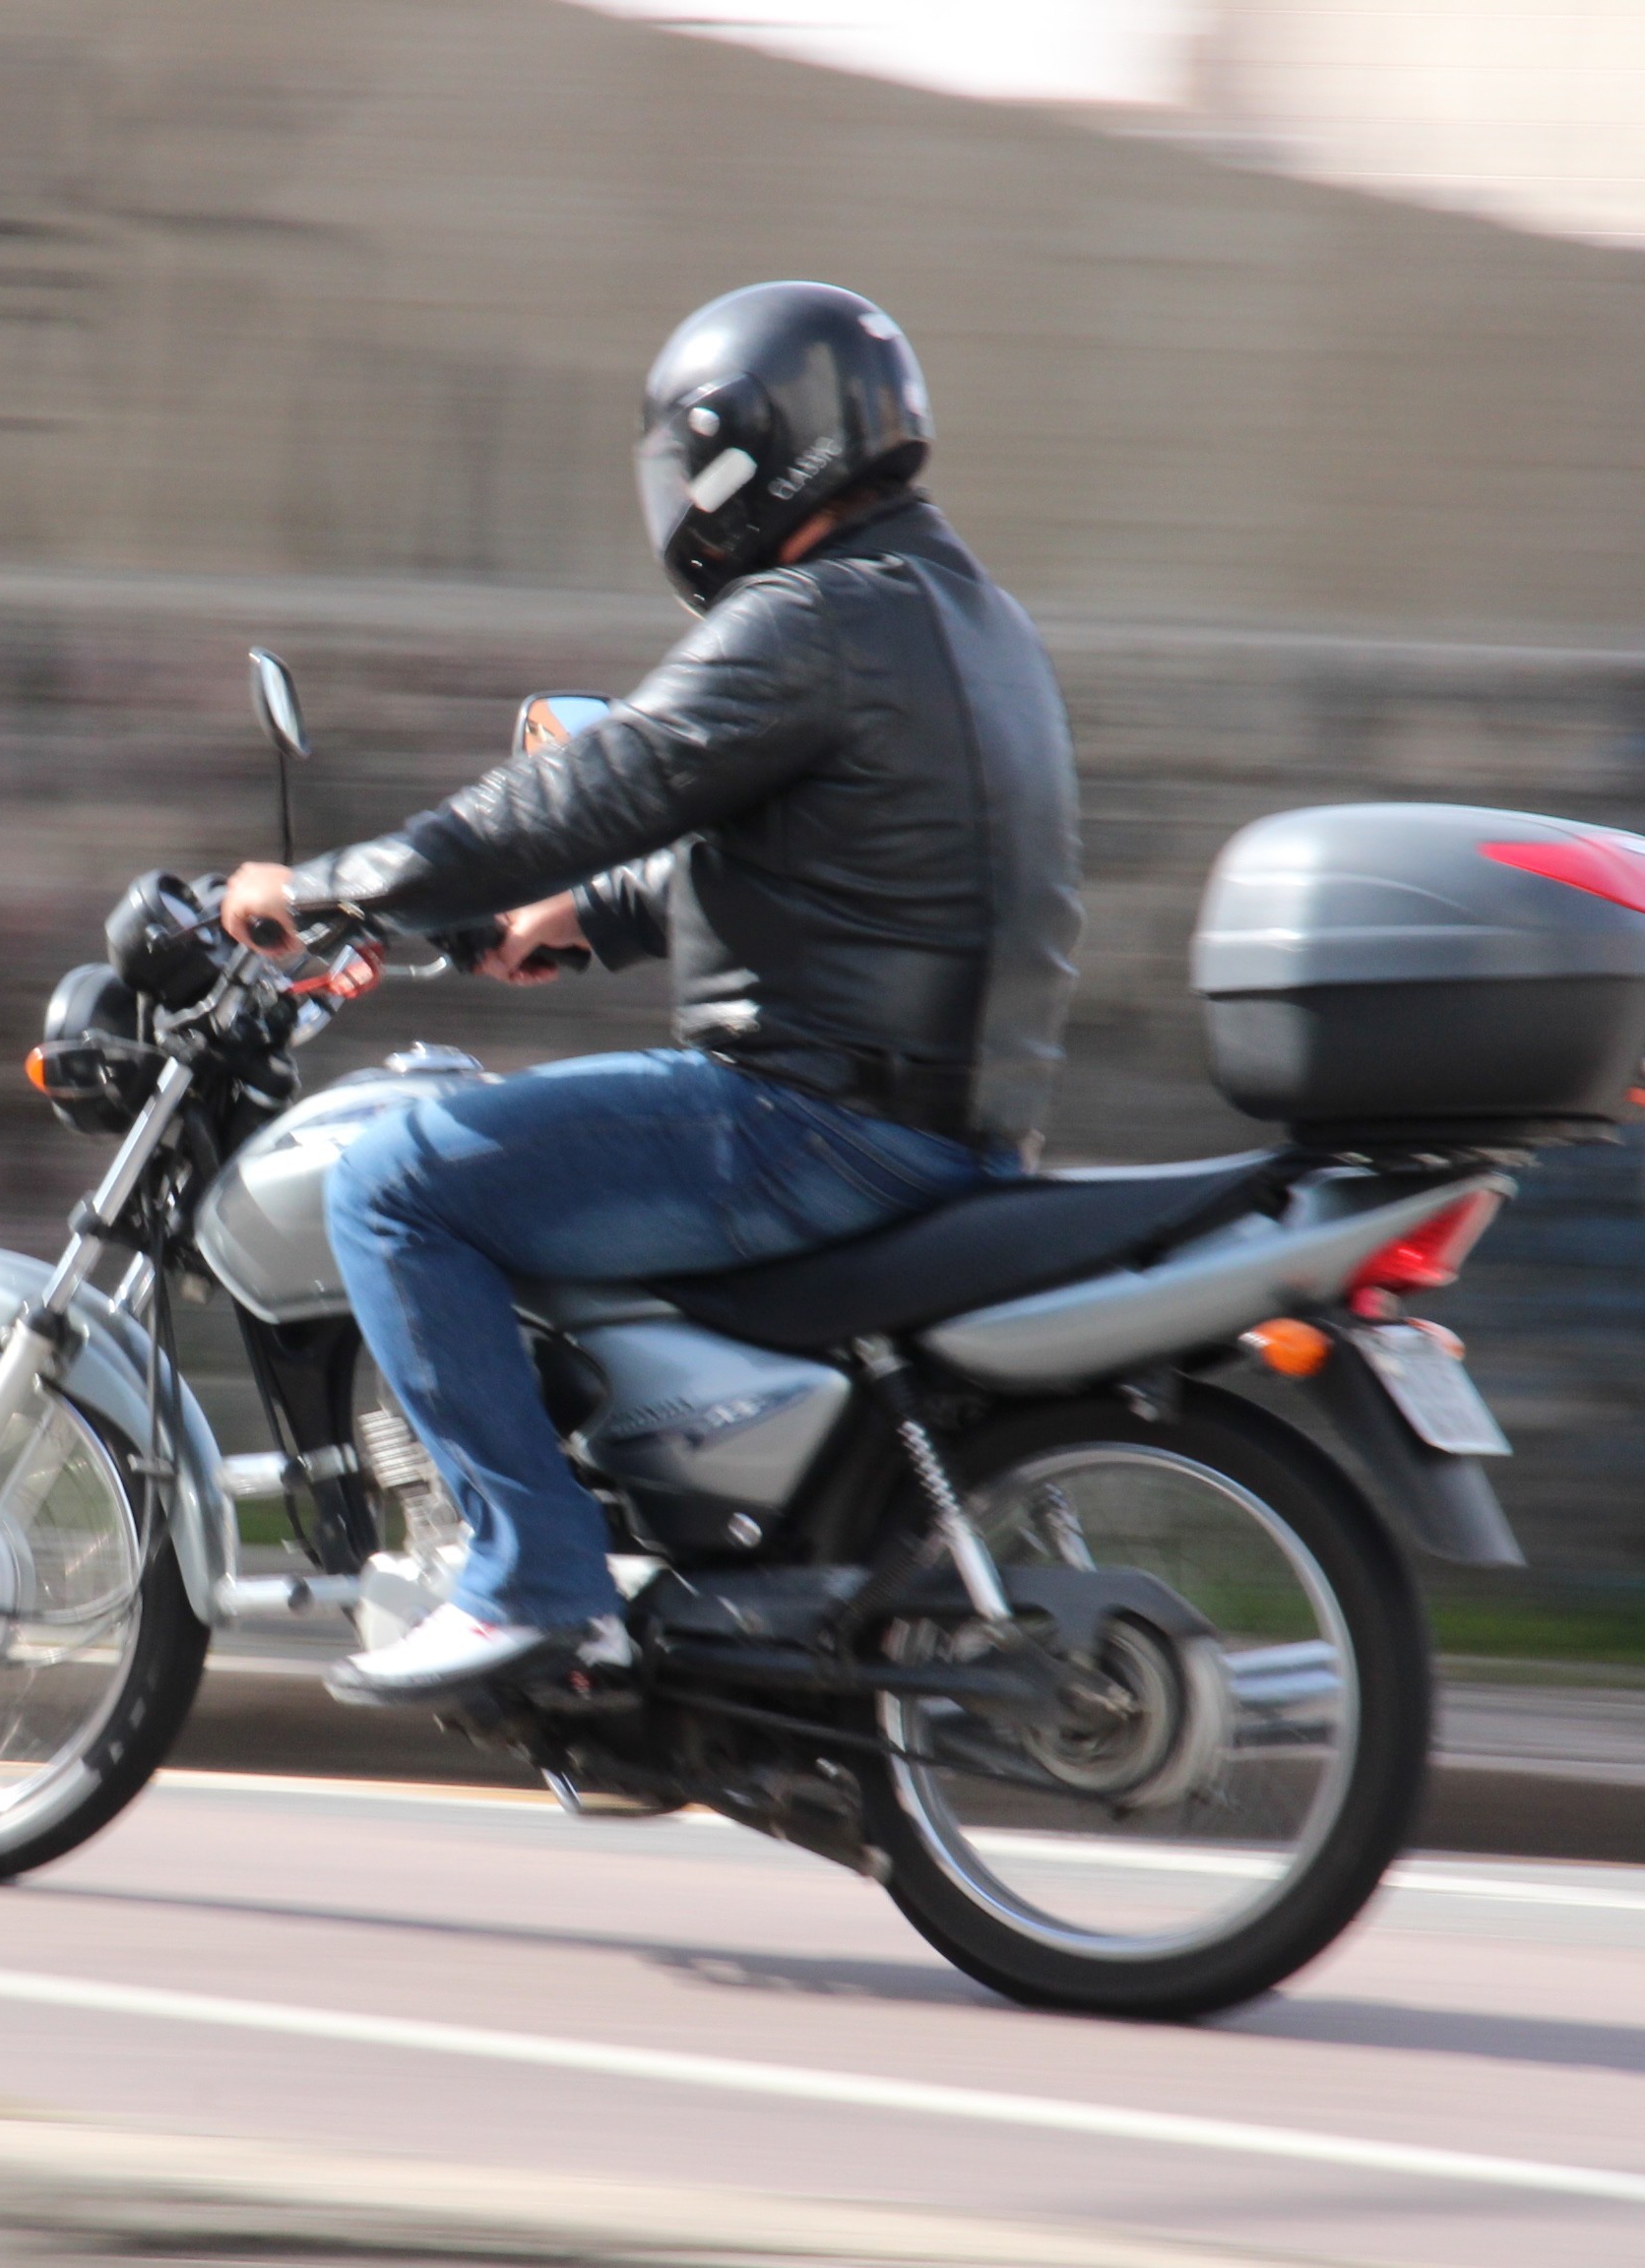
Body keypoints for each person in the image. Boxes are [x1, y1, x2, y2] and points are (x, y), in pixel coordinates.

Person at [217, 281, 1084, 1706]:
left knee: (396, 1186)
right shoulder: (963, 615)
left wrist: (336, 885)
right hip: (948, 1117)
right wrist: (587, 919)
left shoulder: (806, 619)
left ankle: (529, 1577)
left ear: (741, 457)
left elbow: (592, 788)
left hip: (808, 1121)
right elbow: (834, 860)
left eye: (685, 466)